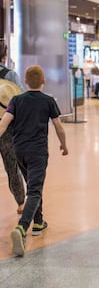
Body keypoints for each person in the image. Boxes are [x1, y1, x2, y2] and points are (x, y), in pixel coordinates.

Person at [0, 65, 68, 256]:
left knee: (32, 184)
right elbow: (59, 127)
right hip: (37, 151)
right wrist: (64, 145)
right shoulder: (48, 101)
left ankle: (38, 222)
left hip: (18, 150)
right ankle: (21, 228)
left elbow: (4, 123)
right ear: (44, 81)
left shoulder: (16, 99)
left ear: (25, 81)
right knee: (35, 190)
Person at [0, 42, 26, 215]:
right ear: (4, 56)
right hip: (7, 124)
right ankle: (21, 202)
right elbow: (21, 100)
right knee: (11, 166)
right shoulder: (10, 75)